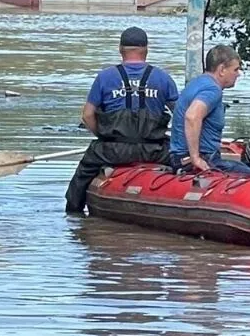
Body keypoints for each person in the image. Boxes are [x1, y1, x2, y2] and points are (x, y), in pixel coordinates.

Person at [65, 27, 179, 213]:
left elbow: (87, 115)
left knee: (83, 174)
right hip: (154, 150)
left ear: (120, 49)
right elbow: (181, 115)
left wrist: (102, 136)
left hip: (112, 150)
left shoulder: (105, 77)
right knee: (184, 164)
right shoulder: (163, 78)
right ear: (146, 49)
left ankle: (73, 213)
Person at [171, 44, 250, 175]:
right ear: (221, 70)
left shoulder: (197, 82)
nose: (238, 74)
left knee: (240, 165)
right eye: (235, 69)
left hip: (179, 158)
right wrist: (195, 158)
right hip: (202, 160)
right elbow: (192, 116)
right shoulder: (213, 89)